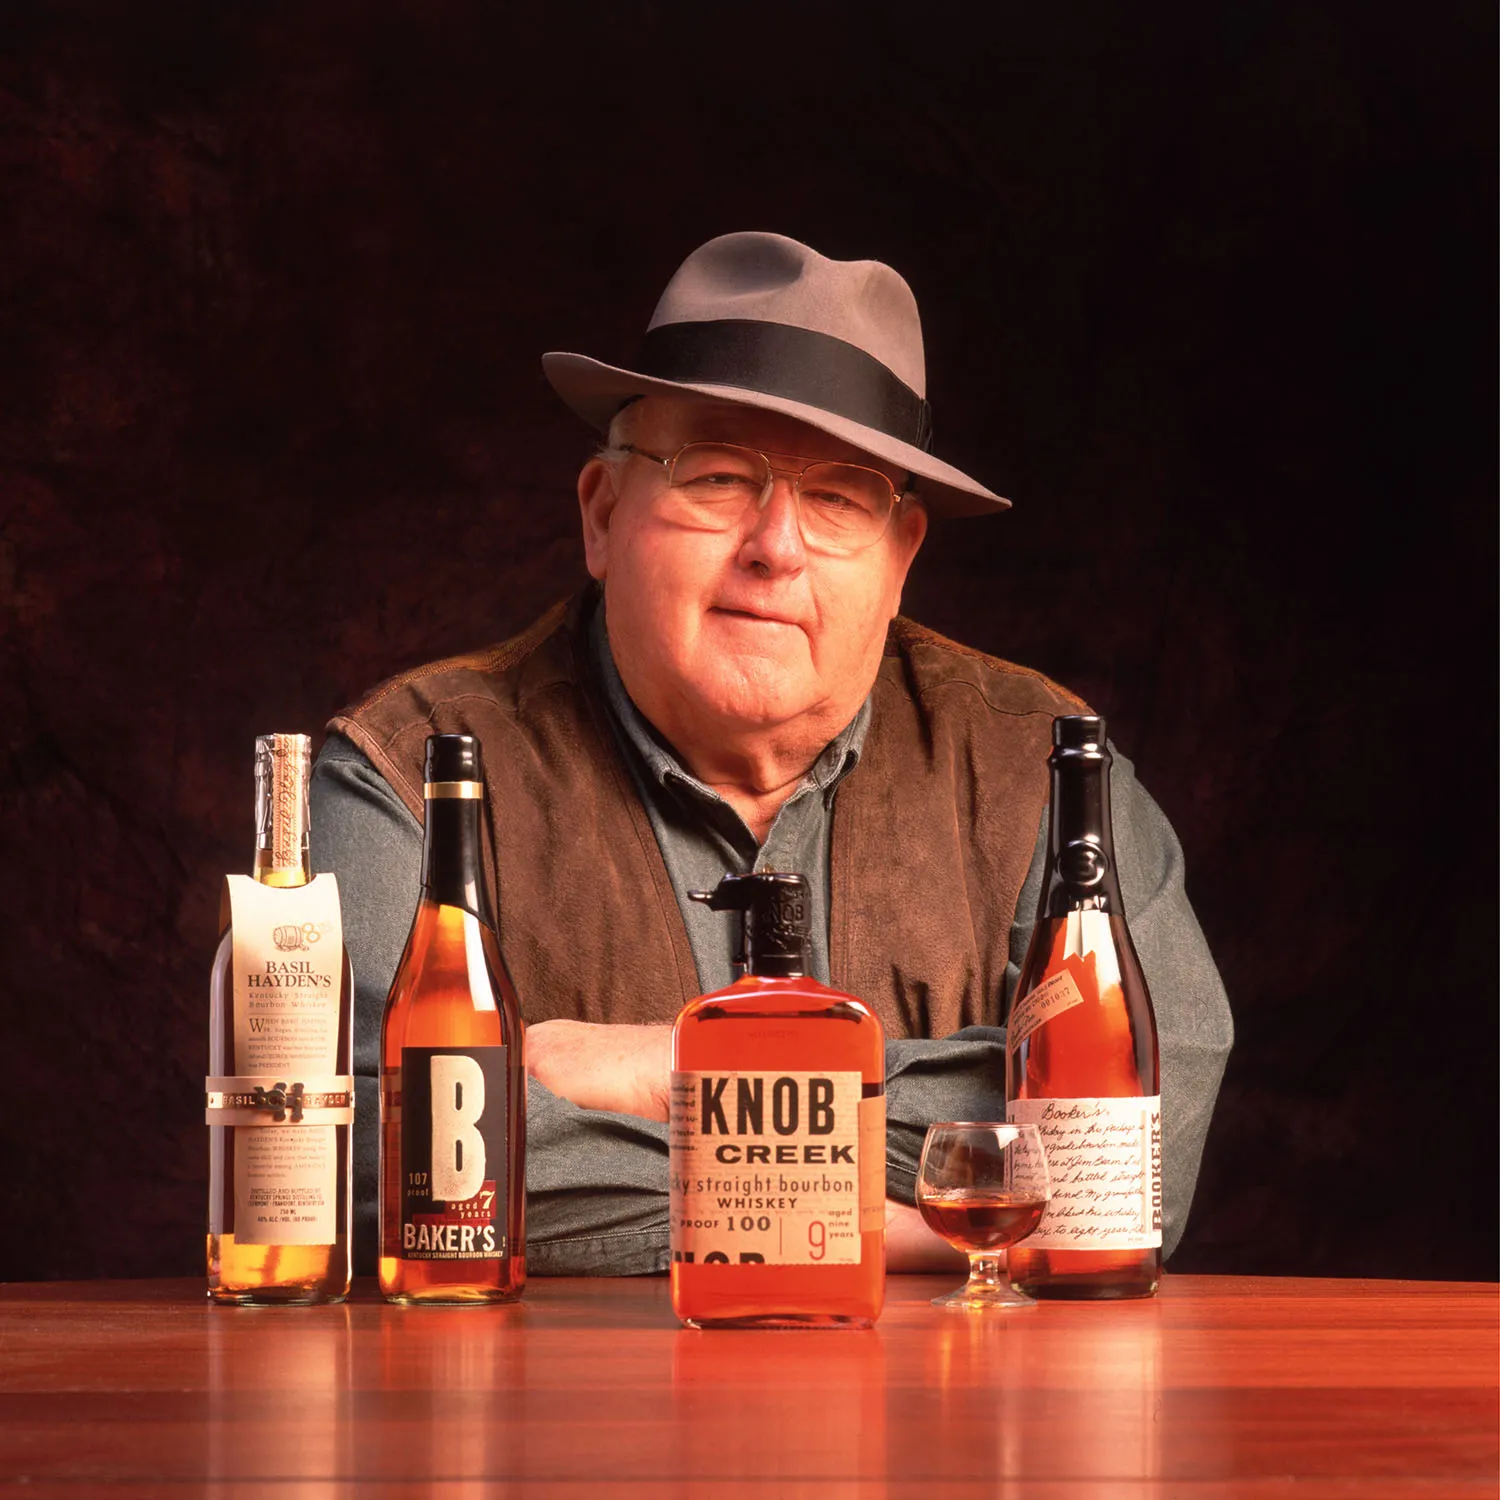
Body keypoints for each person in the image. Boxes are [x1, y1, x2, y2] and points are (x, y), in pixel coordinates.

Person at [311, 231, 1233, 1276]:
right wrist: (923, 1228)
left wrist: (671, 1071)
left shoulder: (1051, 774)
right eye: (715, 476)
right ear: (603, 515)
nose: (776, 545)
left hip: (952, 1440)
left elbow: (1129, 1150)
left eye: (838, 498)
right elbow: (362, 1161)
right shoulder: (409, 774)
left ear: (900, 560)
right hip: (560, 1437)